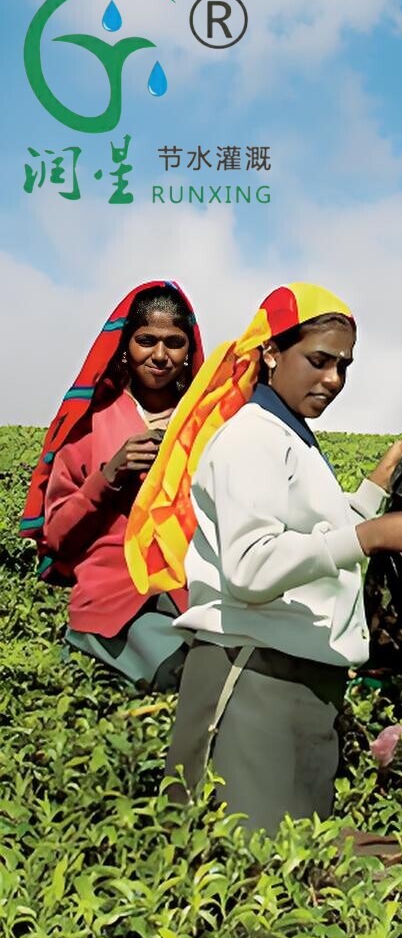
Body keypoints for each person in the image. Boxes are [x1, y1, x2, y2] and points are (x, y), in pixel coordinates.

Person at [129, 283, 402, 832]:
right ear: (270, 353)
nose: (333, 379)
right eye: (318, 360)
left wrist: (374, 489)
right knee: (241, 867)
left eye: (344, 366)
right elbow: (251, 567)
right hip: (251, 677)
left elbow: (315, 536)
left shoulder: (292, 437)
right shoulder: (250, 439)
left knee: (296, 870)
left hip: (299, 680)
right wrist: (373, 535)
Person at [18, 281, 204, 691]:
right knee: (189, 679)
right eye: (146, 341)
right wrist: (108, 477)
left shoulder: (205, 425)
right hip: (114, 602)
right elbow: (58, 537)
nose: (160, 356)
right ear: (125, 346)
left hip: (195, 597)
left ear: (190, 350)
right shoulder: (90, 425)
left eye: (174, 342)